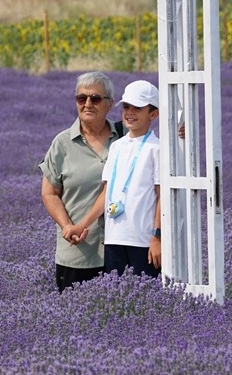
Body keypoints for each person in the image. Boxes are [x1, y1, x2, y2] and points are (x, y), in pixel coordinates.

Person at [38, 71, 124, 292]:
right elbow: (49, 193)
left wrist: (181, 133)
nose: (87, 104)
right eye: (81, 98)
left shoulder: (125, 137)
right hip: (79, 254)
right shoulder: (62, 143)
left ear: (110, 104)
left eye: (95, 98)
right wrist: (67, 226)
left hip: (124, 250)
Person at [67, 79, 162, 278]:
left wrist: (157, 237)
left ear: (153, 114)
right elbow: (106, 192)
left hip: (143, 240)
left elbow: (162, 196)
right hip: (114, 238)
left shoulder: (157, 148)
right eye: (126, 107)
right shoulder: (117, 146)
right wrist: (82, 225)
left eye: (137, 108)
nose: (129, 113)